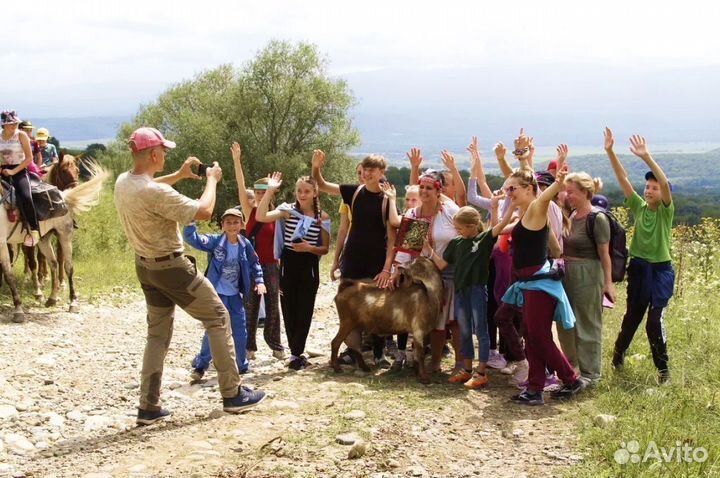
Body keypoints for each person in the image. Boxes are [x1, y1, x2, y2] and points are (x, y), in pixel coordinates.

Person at [114, 126, 265, 425]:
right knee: (218, 317)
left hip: (146, 267)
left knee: (157, 334)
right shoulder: (155, 191)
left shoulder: (124, 182)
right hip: (172, 268)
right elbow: (205, 211)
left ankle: (148, 406)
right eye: (165, 152)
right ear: (155, 154)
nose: (166, 156)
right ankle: (232, 393)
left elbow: (152, 189)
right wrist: (211, 180)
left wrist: (180, 176)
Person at [500, 133, 584, 405]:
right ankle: (534, 388)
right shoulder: (524, 213)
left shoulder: (536, 207)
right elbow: (524, 182)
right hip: (529, 283)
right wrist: (522, 158)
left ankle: (571, 379)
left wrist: (557, 181)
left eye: (513, 189)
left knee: (537, 335)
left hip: (539, 283)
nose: (508, 193)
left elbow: (543, 196)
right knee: (532, 335)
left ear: (527, 190)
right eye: (507, 189)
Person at [313, 150, 397, 368]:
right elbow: (321, 185)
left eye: (372, 170)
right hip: (353, 257)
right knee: (349, 306)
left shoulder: (388, 200)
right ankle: (355, 354)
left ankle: (379, 354)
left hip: (376, 260)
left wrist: (387, 268)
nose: (368, 173)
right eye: (365, 169)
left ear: (381, 172)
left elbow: (392, 239)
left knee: (377, 308)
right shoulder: (353, 192)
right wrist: (316, 167)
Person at [604, 128, 674, 383]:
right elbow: (622, 178)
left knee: (653, 323)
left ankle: (663, 371)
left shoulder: (665, 211)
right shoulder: (638, 206)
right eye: (647, 186)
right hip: (639, 267)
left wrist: (646, 156)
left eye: (654, 187)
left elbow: (666, 185)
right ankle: (617, 357)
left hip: (661, 271)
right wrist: (610, 151)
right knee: (632, 318)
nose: (650, 190)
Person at [427, 199, 514, 388]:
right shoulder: (456, 243)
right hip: (461, 290)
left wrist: (504, 207)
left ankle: (481, 372)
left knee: (481, 330)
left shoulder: (483, 240)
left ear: (473, 226)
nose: (458, 232)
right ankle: (466, 370)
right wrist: (429, 250)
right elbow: (442, 264)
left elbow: (500, 225)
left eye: (460, 229)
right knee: (464, 329)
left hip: (477, 289)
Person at [256, 171, 330, 371]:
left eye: (307, 191)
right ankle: (294, 352)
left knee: (304, 309)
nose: (302, 194)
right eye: (299, 191)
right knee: (288, 307)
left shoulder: (322, 217)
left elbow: (325, 248)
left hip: (309, 264)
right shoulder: (287, 211)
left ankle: (298, 351)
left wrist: (309, 248)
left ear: (315, 193)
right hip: (288, 262)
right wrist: (270, 191)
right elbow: (261, 216)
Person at [183, 208, 266, 380]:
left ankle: (241, 365)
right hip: (216, 294)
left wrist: (260, 281)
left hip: (235, 295)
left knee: (240, 330)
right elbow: (193, 239)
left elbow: (255, 263)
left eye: (236, 222)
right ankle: (200, 366)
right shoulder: (215, 242)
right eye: (228, 222)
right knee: (213, 330)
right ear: (222, 226)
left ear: (242, 225)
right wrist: (190, 221)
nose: (232, 225)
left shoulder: (245, 244)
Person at [558, 172, 614, 384]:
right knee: (567, 323)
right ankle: (573, 369)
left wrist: (608, 284)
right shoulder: (572, 215)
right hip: (568, 272)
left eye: (571, 192)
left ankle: (591, 374)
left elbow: (604, 254)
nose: (567, 195)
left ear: (584, 192)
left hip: (589, 273)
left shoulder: (597, 219)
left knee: (587, 322)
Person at [231, 142, 285, 361]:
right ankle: (249, 347)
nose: (261, 195)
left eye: (265, 191)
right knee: (250, 306)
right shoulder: (250, 211)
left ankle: (276, 345)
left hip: (271, 264)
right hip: (251, 265)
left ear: (272, 193)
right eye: (258, 191)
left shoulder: (278, 213)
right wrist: (237, 161)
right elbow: (240, 184)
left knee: (273, 306)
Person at [0, 110, 41, 246]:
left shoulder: (22, 135)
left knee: (26, 196)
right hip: (2, 170)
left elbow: (29, 158)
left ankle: (34, 229)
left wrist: (13, 172)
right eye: (11, 123)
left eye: (15, 123)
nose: (14, 125)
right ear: (4, 125)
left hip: (20, 170)